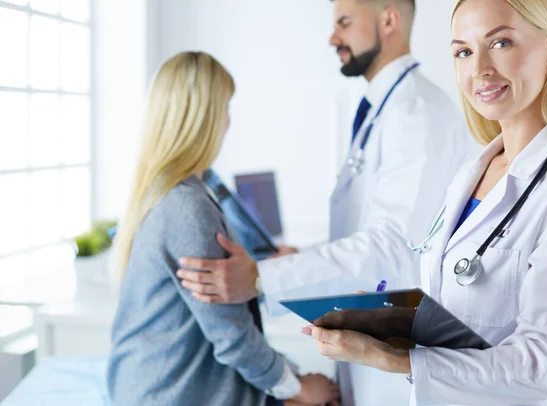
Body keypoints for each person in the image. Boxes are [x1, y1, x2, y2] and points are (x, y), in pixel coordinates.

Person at [304, 0, 547, 405]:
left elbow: (543, 362)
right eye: (463, 51)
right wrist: (381, 315)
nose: (479, 69)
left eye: (501, 43)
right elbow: (456, 312)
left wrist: (392, 358)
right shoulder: (471, 171)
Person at [176, 1, 468, 404]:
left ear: (389, 20)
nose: (333, 38)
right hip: (371, 339)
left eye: (344, 24)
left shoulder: (417, 113)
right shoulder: (381, 110)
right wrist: (296, 258)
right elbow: (369, 233)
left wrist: (263, 277)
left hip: (398, 357)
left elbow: (394, 247)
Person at [106, 51, 339, 406]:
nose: (229, 120)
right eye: (226, 107)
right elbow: (231, 335)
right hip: (169, 394)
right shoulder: (187, 207)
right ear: (207, 116)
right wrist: (299, 387)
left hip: (157, 384)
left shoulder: (181, 188)